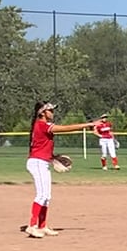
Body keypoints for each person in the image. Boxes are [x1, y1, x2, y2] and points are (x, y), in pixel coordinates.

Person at [22, 101, 92, 238]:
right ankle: (32, 226)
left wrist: (53, 157)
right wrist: (88, 124)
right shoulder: (42, 125)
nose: (53, 113)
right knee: (41, 195)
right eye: (50, 110)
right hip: (37, 163)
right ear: (42, 113)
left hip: (42, 162)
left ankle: (42, 226)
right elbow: (66, 128)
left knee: (47, 196)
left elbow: (42, 146)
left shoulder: (41, 125)